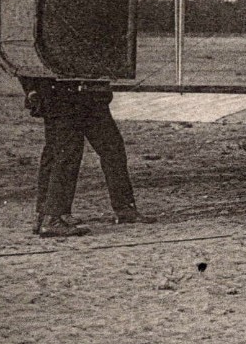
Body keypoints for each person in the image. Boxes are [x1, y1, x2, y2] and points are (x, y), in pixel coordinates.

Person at [21, 76, 155, 237]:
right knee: (66, 153)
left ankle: (124, 208)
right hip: (66, 96)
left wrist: (32, 89)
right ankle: (52, 218)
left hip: (80, 95)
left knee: (111, 148)